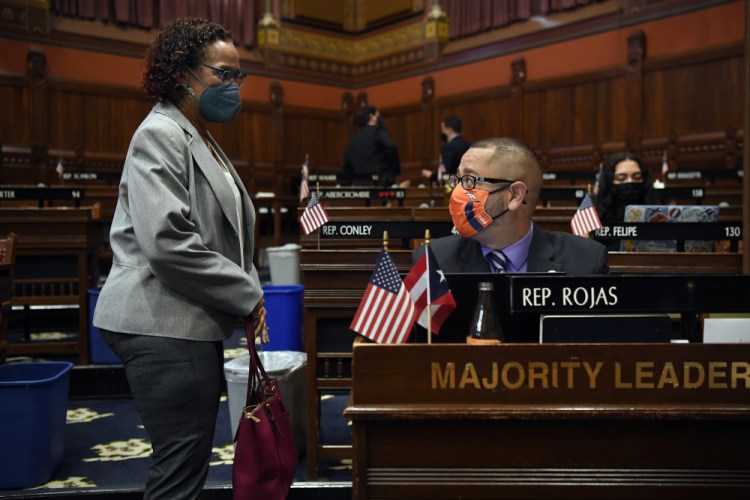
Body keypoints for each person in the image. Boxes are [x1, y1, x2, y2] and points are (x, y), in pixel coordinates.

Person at [92, 18, 267, 499]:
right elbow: (168, 241)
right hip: (160, 319)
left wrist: (244, 290)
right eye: (222, 75)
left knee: (185, 461)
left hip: (183, 318)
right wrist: (248, 294)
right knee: (180, 467)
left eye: (238, 77)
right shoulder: (161, 133)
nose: (233, 87)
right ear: (182, 74)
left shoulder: (197, 133)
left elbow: (225, 232)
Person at [414, 136, 609, 275]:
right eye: (458, 179)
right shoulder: (433, 261)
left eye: (471, 180)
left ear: (515, 195)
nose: (458, 192)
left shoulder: (586, 261)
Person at [593, 151, 661, 223]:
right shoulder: (592, 211)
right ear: (608, 181)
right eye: (621, 178)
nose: (630, 182)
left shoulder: (656, 211)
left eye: (637, 177)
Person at [342, 106, 400, 187]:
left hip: (360, 186)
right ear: (371, 117)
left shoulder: (352, 140)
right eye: (377, 115)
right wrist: (396, 173)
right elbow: (391, 146)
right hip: (381, 185)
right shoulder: (378, 130)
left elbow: (346, 168)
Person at [422, 115, 471, 184]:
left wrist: (432, 175)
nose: (442, 132)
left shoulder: (448, 147)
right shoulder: (468, 144)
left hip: (452, 184)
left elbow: (444, 171)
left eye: (443, 129)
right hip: (466, 182)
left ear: (449, 129)